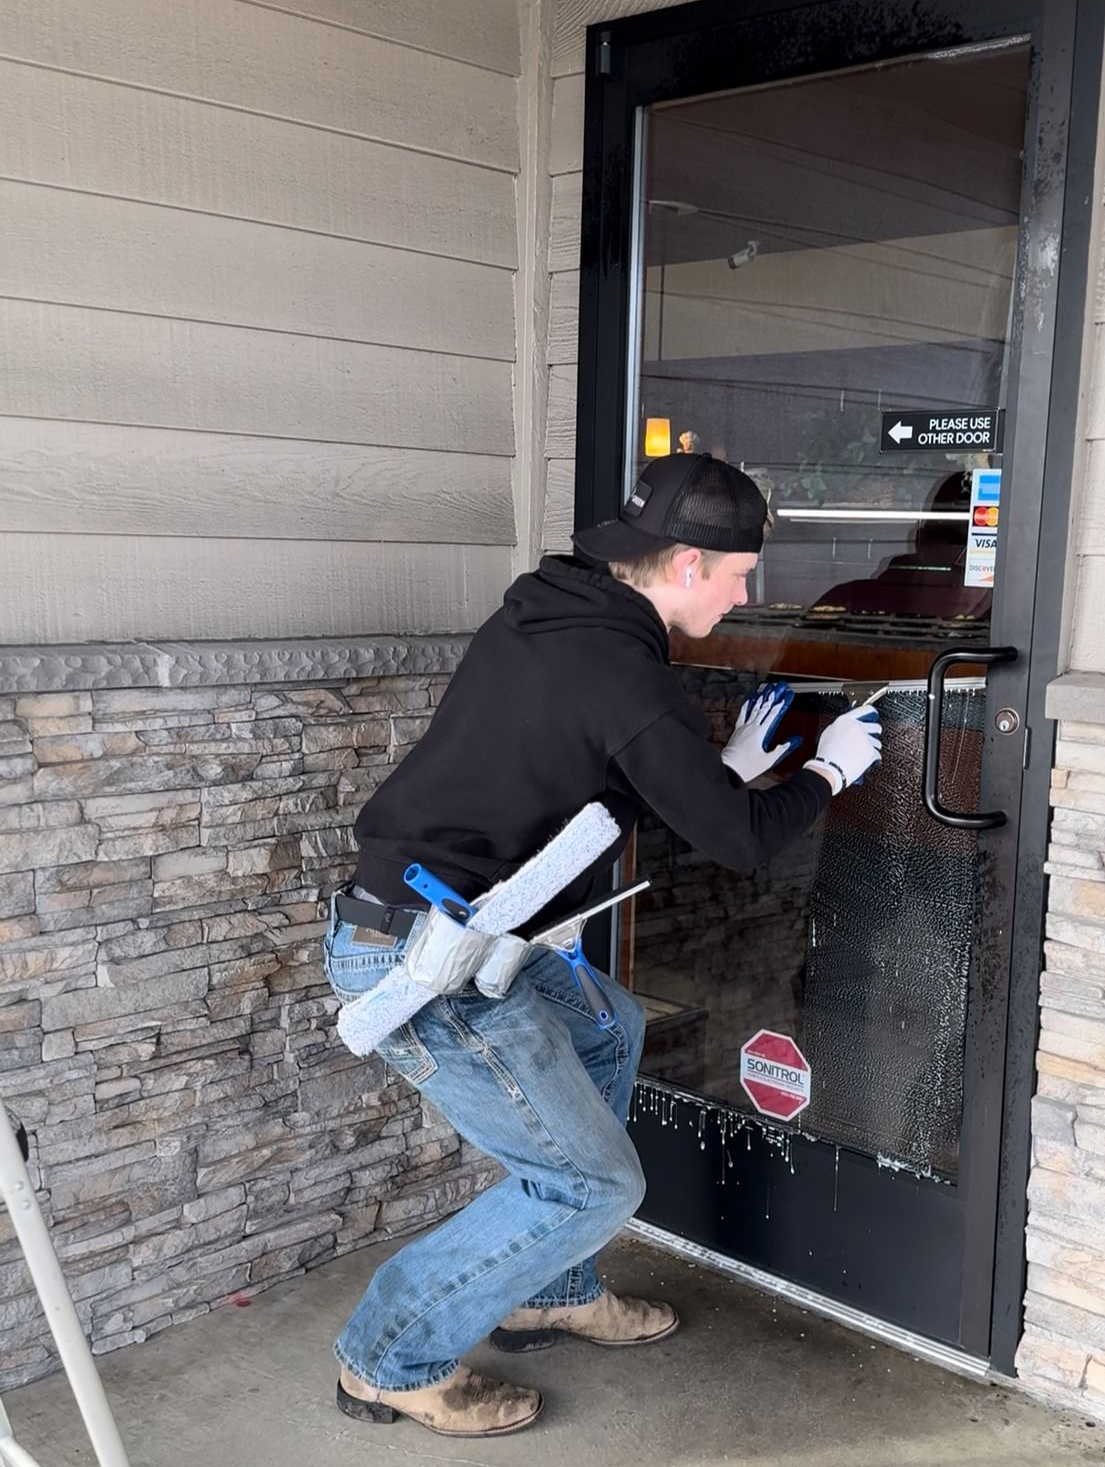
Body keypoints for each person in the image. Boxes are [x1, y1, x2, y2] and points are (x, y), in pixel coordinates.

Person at [322, 453, 883, 1439]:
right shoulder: (627, 671)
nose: (744, 594)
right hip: (425, 961)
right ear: (686, 564)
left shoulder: (551, 617)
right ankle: (386, 1358)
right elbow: (739, 840)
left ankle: (555, 1287)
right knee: (592, 1182)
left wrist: (715, 769)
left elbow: (582, 774)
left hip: (453, 926)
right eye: (737, 574)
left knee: (608, 1024)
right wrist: (825, 774)